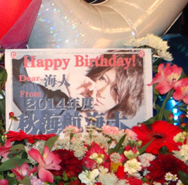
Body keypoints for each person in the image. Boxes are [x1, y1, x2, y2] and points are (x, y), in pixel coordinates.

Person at [10, 52, 145, 134]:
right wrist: (65, 76)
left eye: (116, 89)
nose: (102, 92)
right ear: (95, 74)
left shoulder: (125, 136)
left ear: (127, 97)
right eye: (103, 79)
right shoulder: (54, 105)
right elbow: (10, 73)